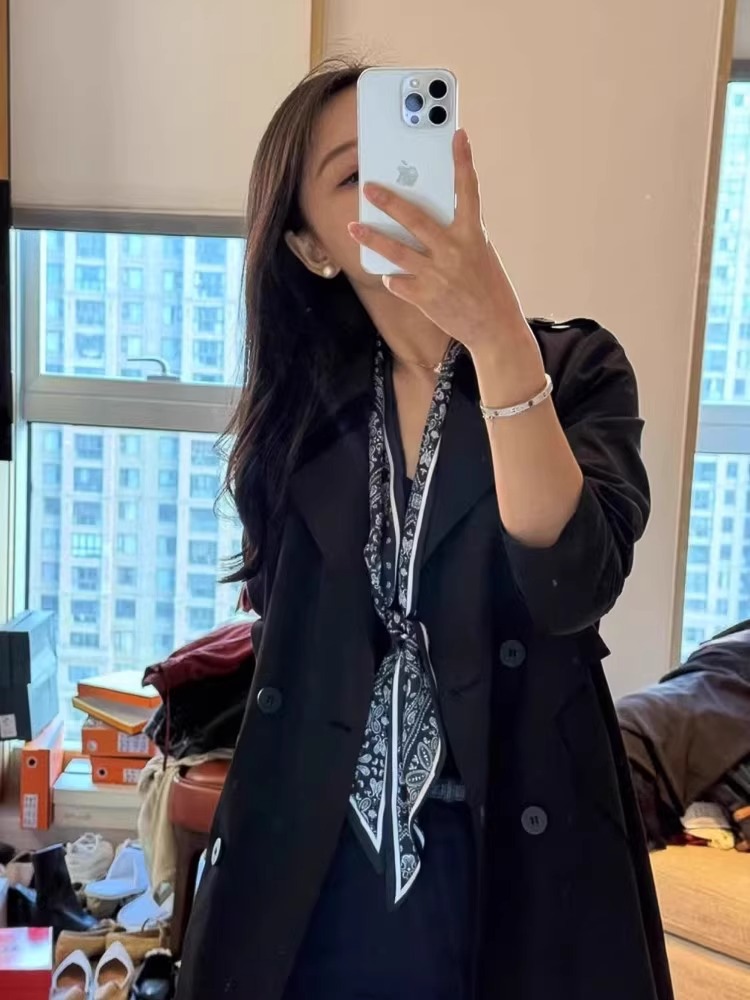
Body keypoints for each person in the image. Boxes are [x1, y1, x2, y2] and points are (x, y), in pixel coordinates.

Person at [176, 61, 673, 1000]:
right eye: (353, 176)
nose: (394, 189)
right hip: (318, 868)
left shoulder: (574, 369)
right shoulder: (300, 422)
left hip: (516, 858)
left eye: (406, 158)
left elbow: (571, 583)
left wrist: (497, 339)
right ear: (312, 247)